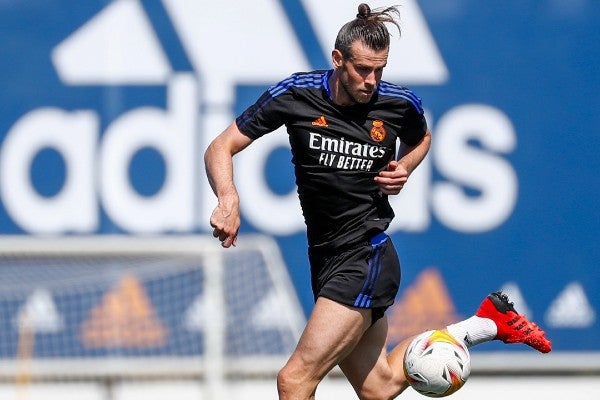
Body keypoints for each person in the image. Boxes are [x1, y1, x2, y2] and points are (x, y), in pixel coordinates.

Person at [204, 4, 551, 399]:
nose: (372, 80)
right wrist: (228, 198)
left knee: (295, 379)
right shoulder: (296, 94)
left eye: (380, 70)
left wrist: (404, 166)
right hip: (326, 256)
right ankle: (486, 324)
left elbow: (422, 138)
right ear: (338, 60)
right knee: (379, 387)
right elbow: (221, 146)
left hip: (365, 256)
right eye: (363, 69)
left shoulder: (398, 103)